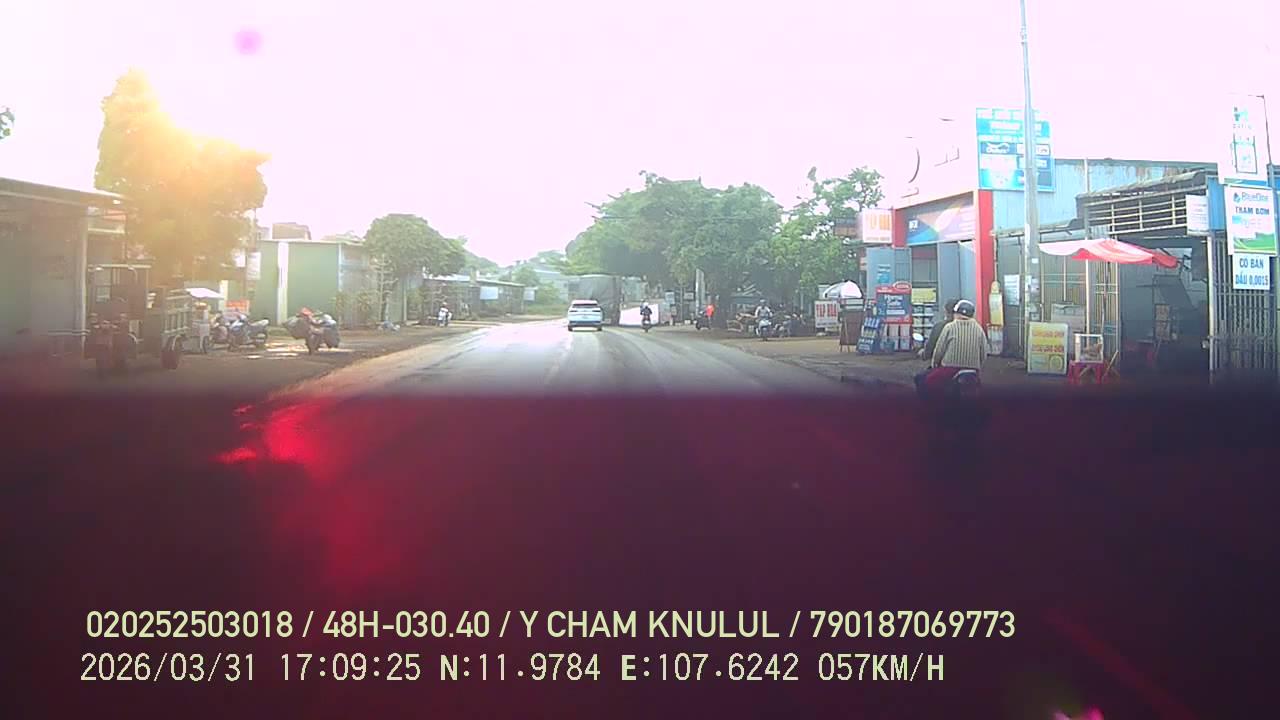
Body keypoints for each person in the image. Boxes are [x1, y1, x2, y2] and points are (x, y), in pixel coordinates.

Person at [922, 299, 988, 395]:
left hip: (950, 369)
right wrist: (977, 366)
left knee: (927, 381)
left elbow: (939, 350)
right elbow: (984, 353)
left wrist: (934, 364)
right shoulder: (979, 329)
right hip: (973, 370)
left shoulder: (949, 327)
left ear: (956, 313)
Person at [914, 299, 957, 392]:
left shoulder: (940, 327)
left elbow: (931, 351)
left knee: (920, 379)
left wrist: (924, 354)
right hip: (971, 369)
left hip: (946, 368)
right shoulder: (974, 327)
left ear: (946, 311)